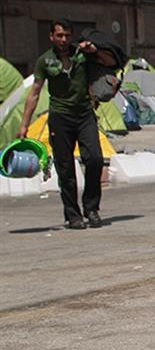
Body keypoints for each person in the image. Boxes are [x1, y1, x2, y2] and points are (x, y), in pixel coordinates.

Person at [16, 19, 112, 229]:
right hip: (60, 118)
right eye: (59, 35)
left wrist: (95, 50)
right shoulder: (45, 61)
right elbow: (34, 93)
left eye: (67, 35)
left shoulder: (82, 54)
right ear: (51, 37)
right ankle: (72, 215)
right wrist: (24, 125)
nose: (63, 39)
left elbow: (109, 62)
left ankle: (91, 208)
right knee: (65, 167)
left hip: (84, 114)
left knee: (95, 159)